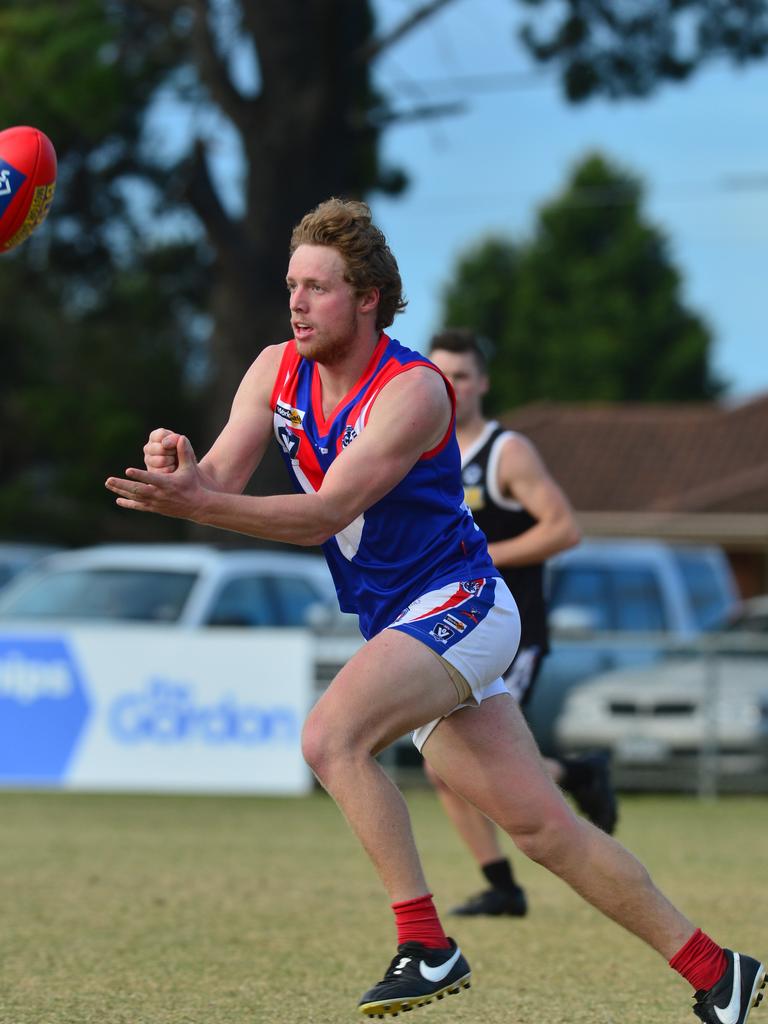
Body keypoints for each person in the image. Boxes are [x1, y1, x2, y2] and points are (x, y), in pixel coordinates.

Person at [105, 198, 765, 1023]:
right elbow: (223, 485)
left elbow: (318, 515)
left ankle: (425, 942)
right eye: (291, 286)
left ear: (369, 296)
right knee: (544, 833)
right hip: (408, 621)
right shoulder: (274, 368)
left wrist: (191, 507)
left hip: (464, 603)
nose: (298, 304)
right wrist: (182, 472)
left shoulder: (411, 390)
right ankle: (717, 971)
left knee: (328, 738)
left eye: (318, 287)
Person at [424, 327, 616, 919]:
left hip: (514, 632)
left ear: (481, 383)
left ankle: (571, 785)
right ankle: (504, 879)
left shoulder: (505, 452)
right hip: (451, 630)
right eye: (440, 375)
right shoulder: (420, 449)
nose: (450, 386)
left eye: (461, 375)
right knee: (444, 761)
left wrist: (484, 561)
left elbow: (564, 529)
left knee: (470, 761)